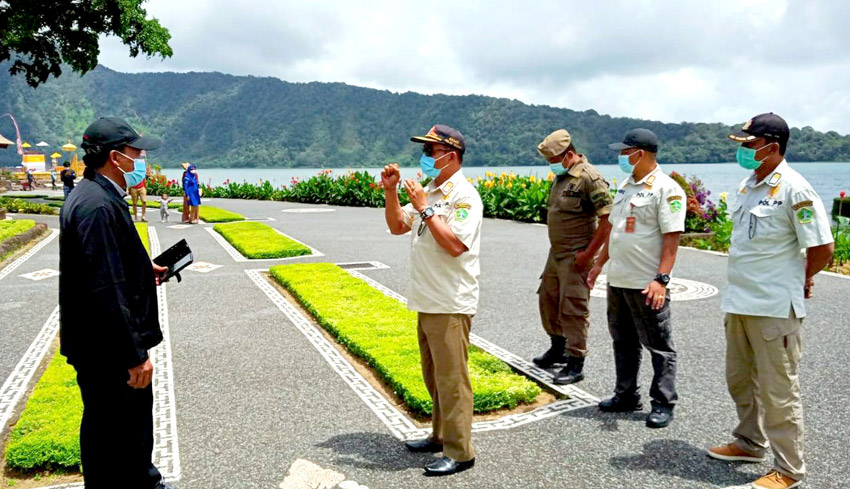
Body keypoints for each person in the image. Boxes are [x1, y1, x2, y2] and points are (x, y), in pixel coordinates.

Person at [707, 113, 834, 489]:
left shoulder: (796, 189)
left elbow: (823, 247)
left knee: (779, 391)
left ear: (772, 147)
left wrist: (803, 278)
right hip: (740, 302)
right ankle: (749, 443)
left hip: (774, 307)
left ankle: (789, 470)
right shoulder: (749, 185)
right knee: (740, 381)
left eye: (748, 145)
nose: (743, 151)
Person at [59, 117, 174, 489]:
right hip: (109, 353)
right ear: (115, 157)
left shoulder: (95, 195)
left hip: (99, 346)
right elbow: (105, 287)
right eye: (136, 152)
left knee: (112, 431)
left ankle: (139, 480)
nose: (142, 159)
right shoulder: (96, 207)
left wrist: (144, 269)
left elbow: (109, 266)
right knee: (119, 433)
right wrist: (134, 354)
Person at [382, 124, 482, 476]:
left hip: (450, 301)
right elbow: (397, 226)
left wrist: (425, 209)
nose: (424, 158)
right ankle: (440, 435)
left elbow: (455, 245)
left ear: (449, 156)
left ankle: (460, 451)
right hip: (427, 299)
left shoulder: (464, 196)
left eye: (430, 151)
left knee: (453, 380)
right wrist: (392, 191)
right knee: (434, 375)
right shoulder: (431, 191)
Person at [587, 128, 685, 429]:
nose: (621, 157)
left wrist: (661, 280)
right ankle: (626, 394)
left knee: (659, 344)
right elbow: (615, 232)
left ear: (639, 153)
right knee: (624, 342)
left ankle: (663, 402)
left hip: (646, 283)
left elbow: (672, 239)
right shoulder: (626, 186)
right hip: (618, 280)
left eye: (625, 152)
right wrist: (597, 265)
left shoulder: (666, 189)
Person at [533, 129, 613, 384]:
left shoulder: (590, 178)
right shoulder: (562, 177)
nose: (551, 165)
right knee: (548, 300)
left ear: (568, 155)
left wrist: (590, 255)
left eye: (554, 160)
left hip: (576, 255)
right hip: (556, 254)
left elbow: (607, 219)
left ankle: (576, 361)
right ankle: (558, 348)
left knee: (573, 308)